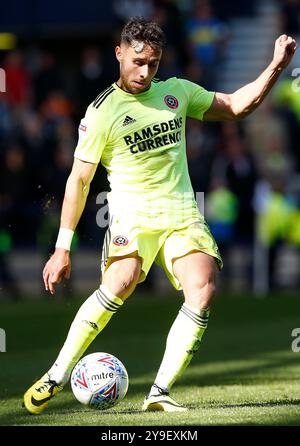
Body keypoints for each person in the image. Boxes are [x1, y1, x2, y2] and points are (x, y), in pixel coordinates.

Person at [23, 17, 297, 414]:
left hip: (182, 212)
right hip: (131, 215)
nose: (144, 71)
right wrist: (62, 248)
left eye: (153, 63)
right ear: (119, 53)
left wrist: (276, 66)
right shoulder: (102, 111)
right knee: (120, 282)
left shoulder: (177, 93)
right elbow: (78, 181)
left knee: (202, 289)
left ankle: (160, 392)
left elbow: (238, 106)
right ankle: (56, 374)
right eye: (137, 61)